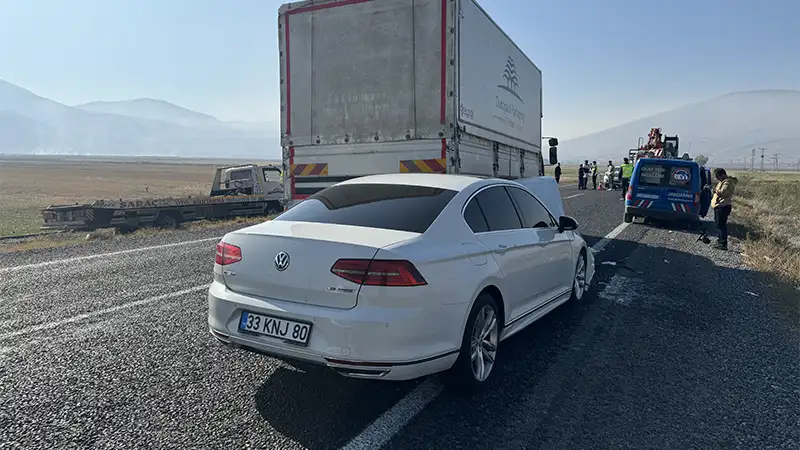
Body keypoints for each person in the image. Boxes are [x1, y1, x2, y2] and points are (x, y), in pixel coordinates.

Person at [710, 168, 738, 250]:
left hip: (723, 206)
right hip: (720, 206)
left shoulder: (727, 183)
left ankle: (723, 243)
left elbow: (722, 193)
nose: (717, 178)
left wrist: (714, 189)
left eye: (717, 176)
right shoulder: (723, 182)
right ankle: (720, 241)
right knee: (719, 225)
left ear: (722, 174)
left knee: (721, 225)